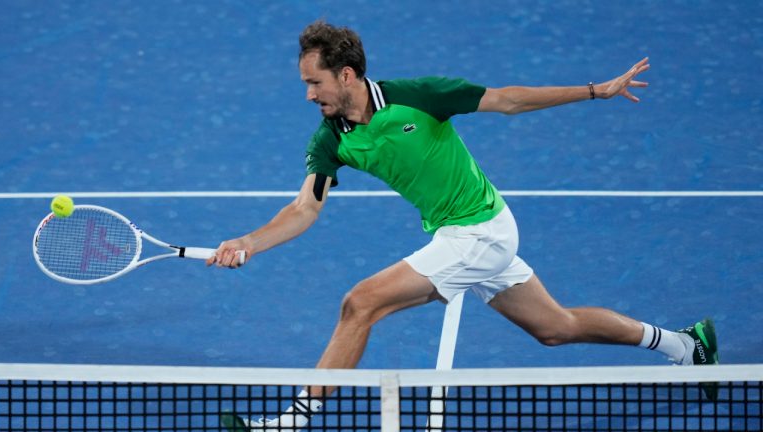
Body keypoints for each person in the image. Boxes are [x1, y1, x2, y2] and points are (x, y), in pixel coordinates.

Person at [211, 20, 719, 431]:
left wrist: (595, 90)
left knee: (359, 303)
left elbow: (509, 100)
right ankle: (684, 344)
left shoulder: (421, 96)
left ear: (346, 76)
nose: (307, 95)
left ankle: (293, 422)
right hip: (461, 236)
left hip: (482, 232)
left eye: (313, 82)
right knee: (554, 328)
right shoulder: (330, 139)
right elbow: (305, 208)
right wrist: (248, 243)